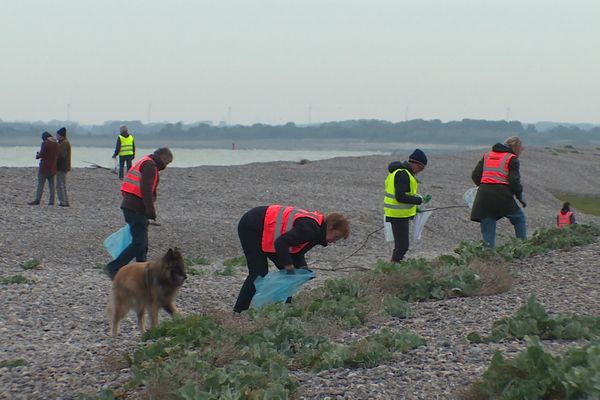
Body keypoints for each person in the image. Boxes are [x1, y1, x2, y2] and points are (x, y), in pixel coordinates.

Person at [233, 205, 350, 313]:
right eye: (336, 237)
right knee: (258, 272)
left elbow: (296, 251)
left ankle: (286, 308)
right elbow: (281, 243)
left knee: (291, 275)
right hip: (252, 225)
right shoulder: (310, 229)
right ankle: (238, 311)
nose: (334, 241)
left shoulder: (316, 230)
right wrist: (289, 266)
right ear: (329, 227)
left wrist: (303, 268)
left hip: (265, 230)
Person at [105, 147, 173, 280]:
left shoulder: (145, 161)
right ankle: (114, 267)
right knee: (139, 243)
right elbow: (146, 190)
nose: (166, 166)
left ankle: (142, 271)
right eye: (167, 162)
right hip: (136, 208)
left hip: (131, 206)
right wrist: (151, 212)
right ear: (162, 157)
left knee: (142, 243)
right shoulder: (150, 165)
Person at [470, 136, 527, 247]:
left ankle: (489, 255)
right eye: (521, 148)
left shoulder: (487, 156)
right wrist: (521, 197)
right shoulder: (512, 159)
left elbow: (475, 176)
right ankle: (522, 247)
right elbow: (514, 181)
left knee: (488, 223)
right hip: (502, 195)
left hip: (484, 196)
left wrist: (484, 186)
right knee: (519, 218)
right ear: (516, 148)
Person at [384, 149, 431, 263]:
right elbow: (400, 197)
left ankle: (394, 265)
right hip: (398, 215)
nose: (420, 171)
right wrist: (419, 200)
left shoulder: (404, 173)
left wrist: (415, 208)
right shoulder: (402, 174)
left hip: (398, 214)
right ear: (415, 163)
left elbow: (405, 196)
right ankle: (392, 268)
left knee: (401, 245)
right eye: (420, 168)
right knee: (402, 246)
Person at [28, 132, 59, 205]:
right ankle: (51, 201)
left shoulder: (45, 143)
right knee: (52, 186)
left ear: (44, 137)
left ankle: (37, 200)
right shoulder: (57, 144)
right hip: (53, 167)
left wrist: (37, 155)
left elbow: (41, 155)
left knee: (41, 184)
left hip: (44, 167)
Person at [55, 127, 71, 207]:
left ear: (61, 136)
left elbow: (62, 155)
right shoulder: (63, 142)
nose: (56, 136)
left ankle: (63, 201)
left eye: (57, 135)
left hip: (62, 167)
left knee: (59, 185)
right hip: (63, 167)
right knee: (62, 184)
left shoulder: (64, 143)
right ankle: (65, 201)